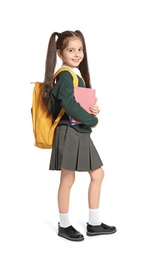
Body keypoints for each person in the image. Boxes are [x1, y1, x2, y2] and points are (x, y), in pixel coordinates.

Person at [42, 30, 117, 241]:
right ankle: (64, 225)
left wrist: (92, 110)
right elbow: (69, 104)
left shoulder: (75, 74)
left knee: (97, 174)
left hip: (79, 130)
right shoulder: (66, 75)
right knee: (68, 178)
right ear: (59, 53)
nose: (77, 54)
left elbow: (76, 103)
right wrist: (91, 119)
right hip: (70, 131)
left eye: (80, 49)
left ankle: (93, 223)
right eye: (71, 50)